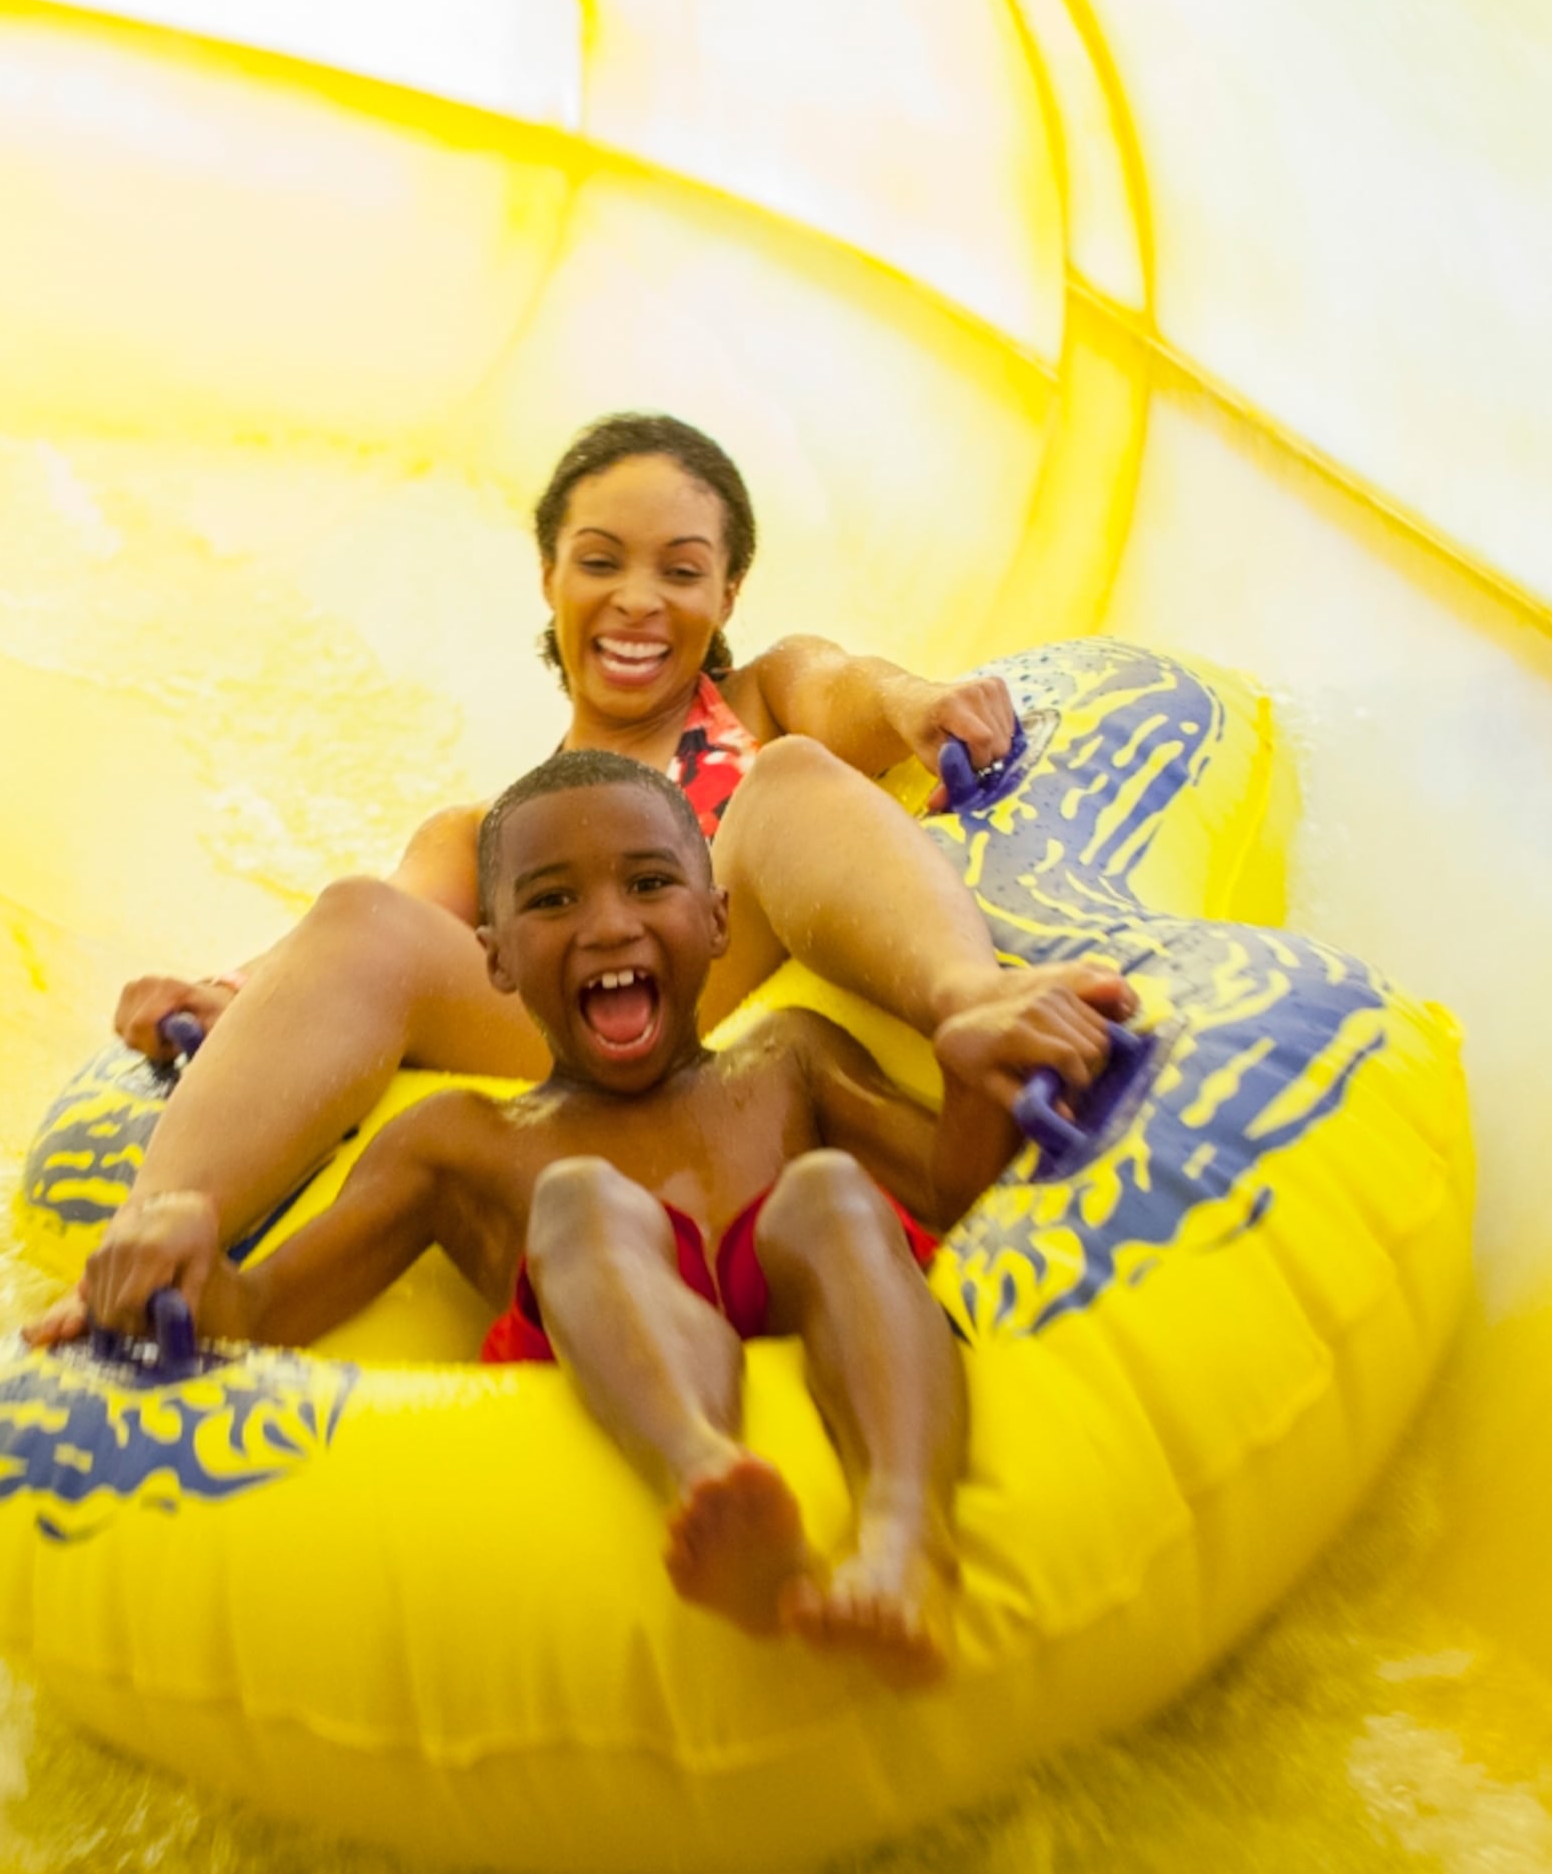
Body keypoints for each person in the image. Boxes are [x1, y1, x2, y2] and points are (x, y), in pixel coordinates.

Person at [35, 750, 1115, 1683]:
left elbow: (954, 1205)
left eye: (651, 883)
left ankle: (901, 1542)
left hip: (799, 1291)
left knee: (830, 1196)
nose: (607, 924)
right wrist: (187, 1259)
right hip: (599, 1333)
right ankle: (707, 1478)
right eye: (551, 902)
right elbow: (266, 1312)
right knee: (583, 1201)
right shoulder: (467, 1140)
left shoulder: (788, 1061)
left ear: (718, 918)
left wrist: (975, 1087)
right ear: (493, 957)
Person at [84, 410, 1129, 1319]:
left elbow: (852, 686)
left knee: (790, 779)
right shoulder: (489, 832)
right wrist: (227, 992)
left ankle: (972, 999)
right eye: (600, 562)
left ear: (728, 591)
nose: (638, 599)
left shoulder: (762, 699)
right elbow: (376, 930)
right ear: (550, 578)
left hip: (737, 968)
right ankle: (157, 1235)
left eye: (680, 570)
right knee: (364, 909)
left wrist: (920, 707)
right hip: (580, 1040)